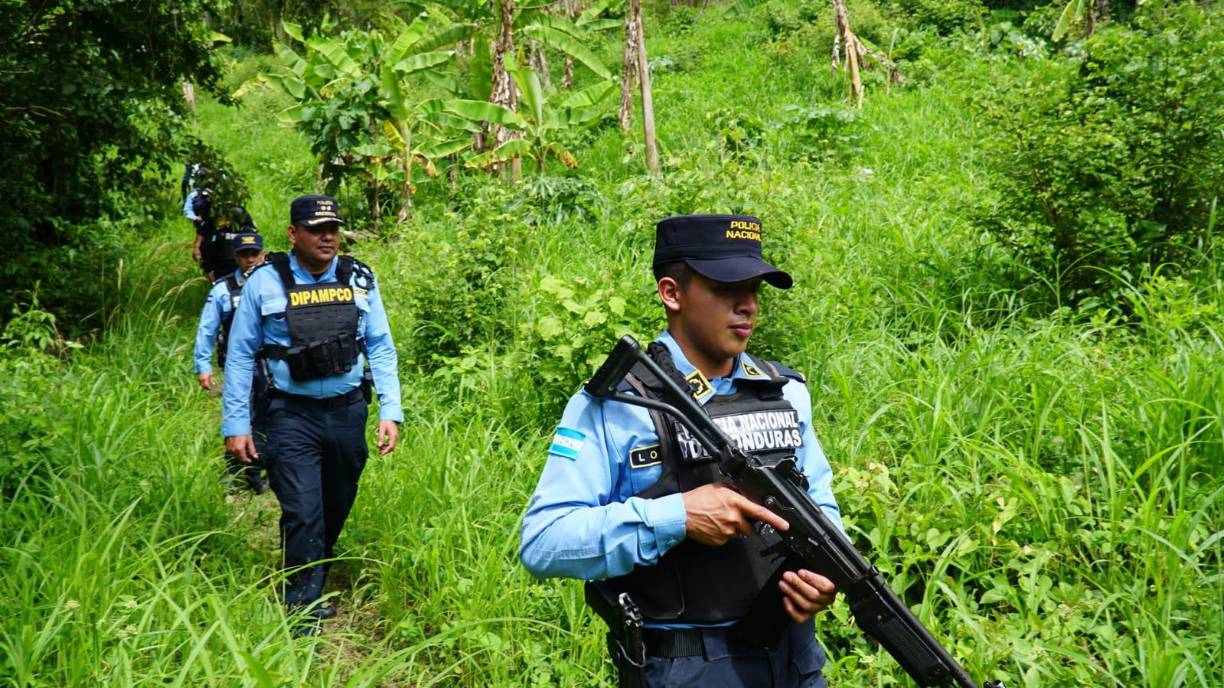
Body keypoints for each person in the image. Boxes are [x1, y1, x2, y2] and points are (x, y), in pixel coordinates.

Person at [519, 214, 844, 687]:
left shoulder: (786, 393)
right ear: (672, 293)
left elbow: (822, 507)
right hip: (685, 667)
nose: (747, 305)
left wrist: (822, 576)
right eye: (726, 287)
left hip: (795, 659)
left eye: (754, 288)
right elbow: (544, 541)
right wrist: (677, 517)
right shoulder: (619, 402)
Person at [221, 195, 402, 634]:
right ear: (293, 234)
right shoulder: (264, 283)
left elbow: (379, 344)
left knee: (337, 499)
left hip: (347, 411)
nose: (327, 236)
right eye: (317, 228)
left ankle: (311, 562)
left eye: (333, 228)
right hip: (290, 413)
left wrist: (390, 411)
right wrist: (237, 424)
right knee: (303, 507)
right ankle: (302, 605)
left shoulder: (358, 278)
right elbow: (241, 355)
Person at [192, 231, 270, 494]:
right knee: (240, 415)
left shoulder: (274, 285)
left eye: (254, 254)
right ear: (235, 257)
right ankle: (237, 469)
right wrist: (202, 365)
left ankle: (260, 468)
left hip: (272, 364)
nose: (250, 259)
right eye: (244, 255)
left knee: (268, 416)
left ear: (263, 255)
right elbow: (207, 328)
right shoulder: (223, 290)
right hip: (239, 365)